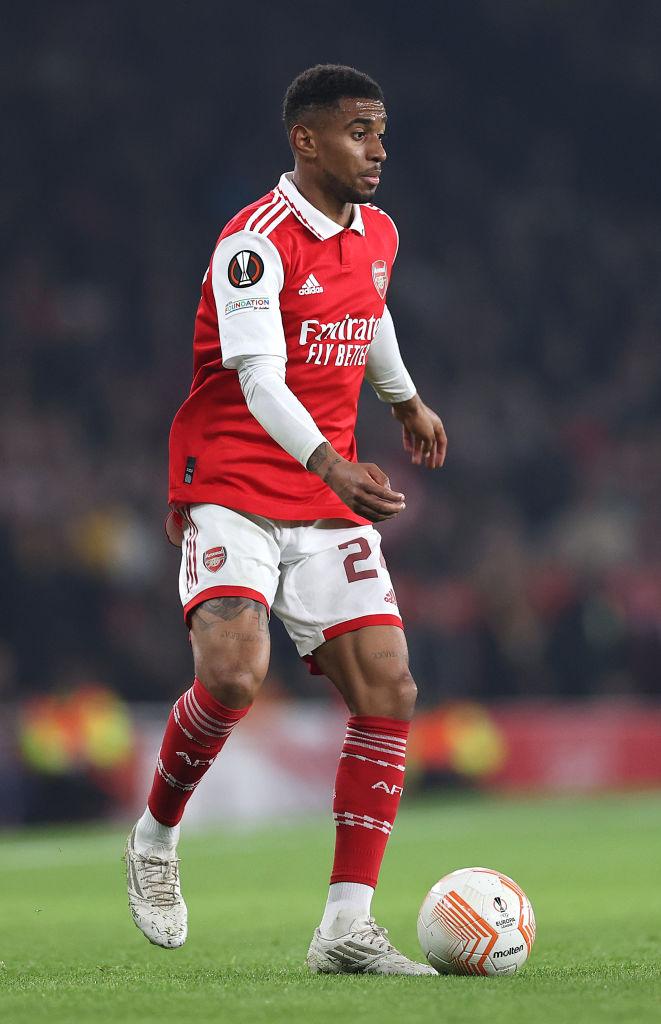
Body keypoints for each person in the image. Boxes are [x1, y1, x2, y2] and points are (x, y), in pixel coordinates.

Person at [124, 63, 447, 976]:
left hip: (322, 501)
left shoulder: (378, 232)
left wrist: (403, 398)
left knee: (387, 687)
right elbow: (260, 377)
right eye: (358, 131)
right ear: (305, 139)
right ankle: (154, 837)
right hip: (232, 483)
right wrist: (334, 462)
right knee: (233, 675)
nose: (376, 150)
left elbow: (368, 312)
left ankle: (345, 926)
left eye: (381, 132)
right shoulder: (253, 243)